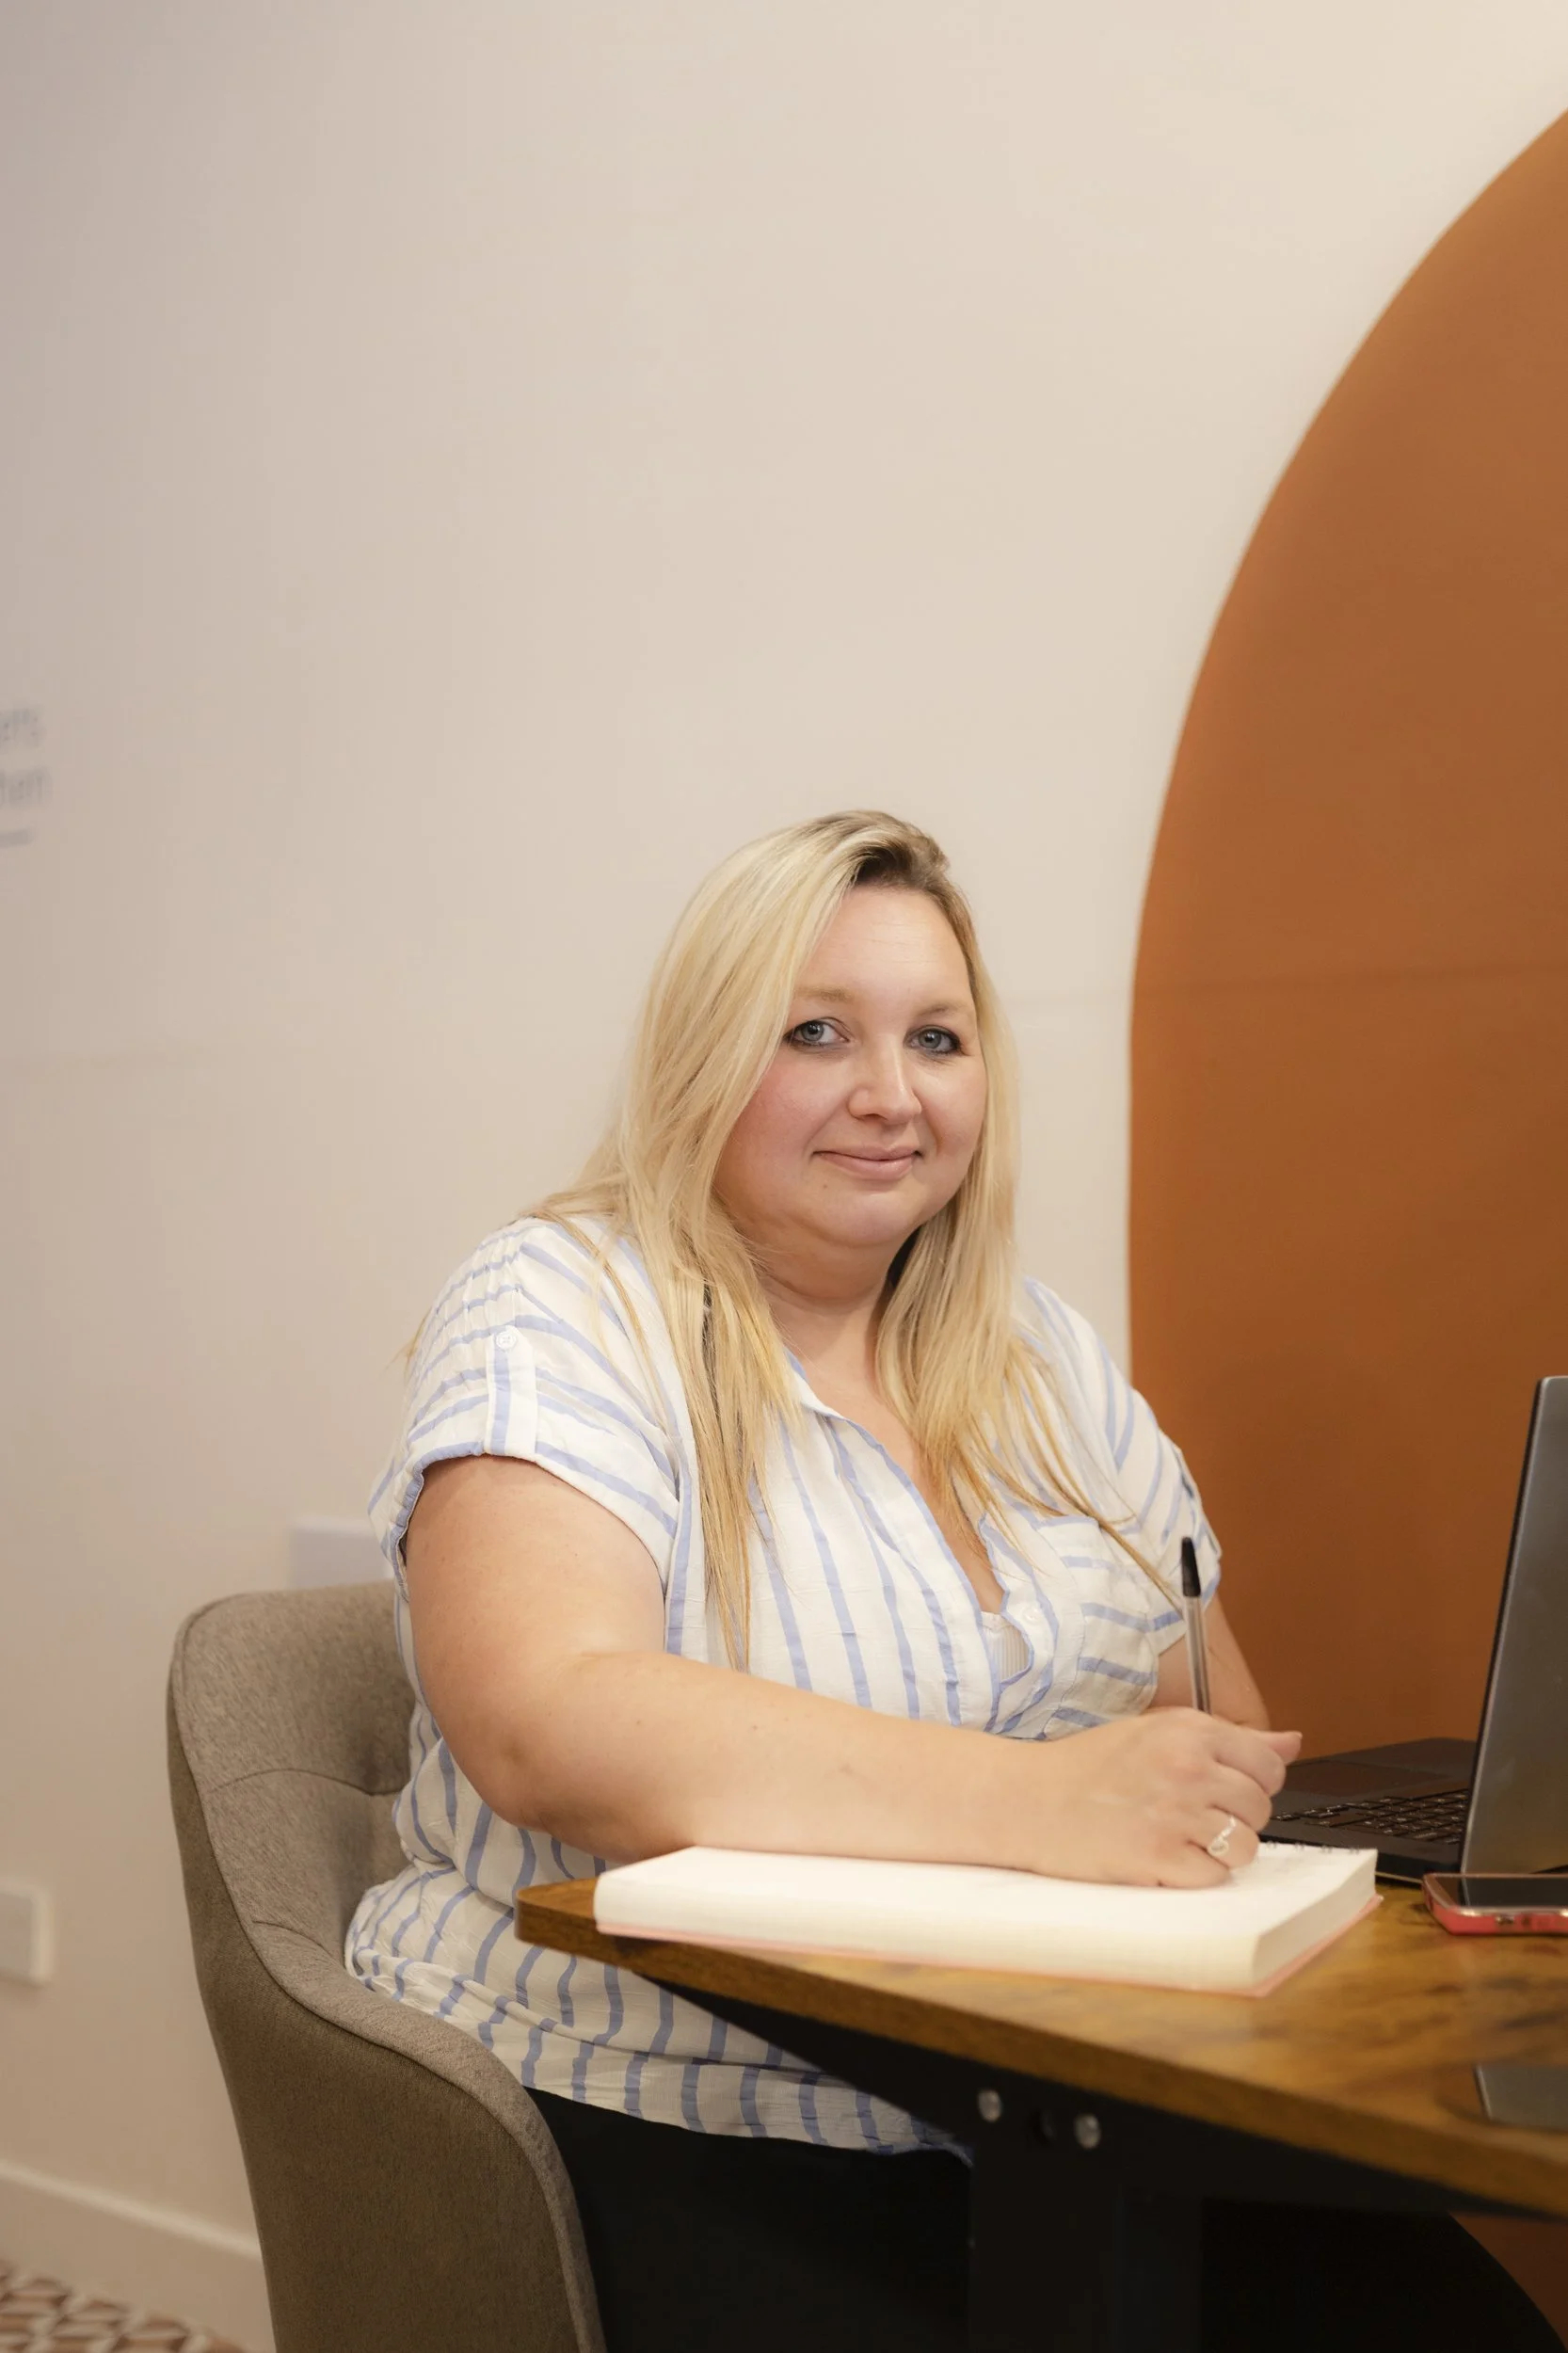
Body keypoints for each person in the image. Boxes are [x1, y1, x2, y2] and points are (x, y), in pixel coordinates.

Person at [349, 813, 1559, 2352]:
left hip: (1062, 2089)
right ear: (703, 1059)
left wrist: (1174, 1784)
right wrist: (1040, 1802)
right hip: (682, 2093)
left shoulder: (1038, 1348)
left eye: (936, 1037)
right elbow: (547, 1718)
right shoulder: (564, 1300)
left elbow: (1215, 1716)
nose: (889, 1094)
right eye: (815, 1033)